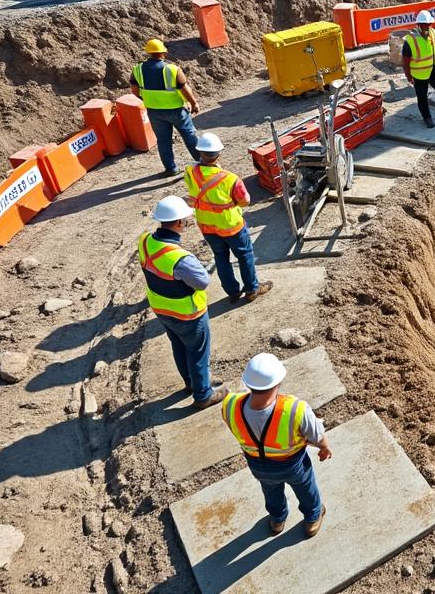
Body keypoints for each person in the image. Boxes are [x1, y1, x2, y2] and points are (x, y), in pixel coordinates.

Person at [222, 353, 332, 537]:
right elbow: (317, 435)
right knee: (306, 488)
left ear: (248, 383)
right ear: (278, 383)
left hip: (258, 466)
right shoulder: (295, 409)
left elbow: (235, 426)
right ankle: (313, 518)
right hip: (293, 466)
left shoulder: (230, 405)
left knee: (271, 491)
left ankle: (277, 520)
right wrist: (324, 447)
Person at [138, 197, 226, 409]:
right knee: (197, 351)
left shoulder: (145, 241)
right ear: (178, 223)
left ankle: (192, 383)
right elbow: (202, 282)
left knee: (178, 345)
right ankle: (203, 394)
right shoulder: (180, 258)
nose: (188, 221)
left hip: (162, 310)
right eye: (186, 219)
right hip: (188, 314)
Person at [184, 132, 273, 303]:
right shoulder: (230, 178)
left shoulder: (189, 171)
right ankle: (252, 289)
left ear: (199, 152)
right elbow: (245, 201)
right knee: (244, 255)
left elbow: (192, 191)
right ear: (219, 153)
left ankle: (232, 291)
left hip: (206, 225)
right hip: (231, 225)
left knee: (220, 256)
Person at [131, 39, 201, 178]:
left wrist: (149, 99)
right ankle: (202, 163)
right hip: (176, 110)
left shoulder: (137, 69)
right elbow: (184, 89)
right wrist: (194, 103)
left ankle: (171, 169)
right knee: (189, 135)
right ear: (163, 52)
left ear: (148, 52)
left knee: (163, 140)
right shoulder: (172, 69)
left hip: (154, 111)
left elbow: (134, 91)